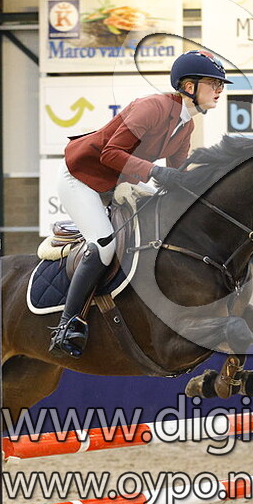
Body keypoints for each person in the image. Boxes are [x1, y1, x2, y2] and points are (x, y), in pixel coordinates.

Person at [49, 49, 232, 358]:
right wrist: (157, 172)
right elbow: (110, 153)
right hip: (81, 176)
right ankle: (68, 323)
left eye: (221, 85)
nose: (219, 90)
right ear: (189, 86)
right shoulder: (152, 107)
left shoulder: (186, 125)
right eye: (214, 83)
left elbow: (178, 174)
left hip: (118, 180)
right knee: (104, 245)